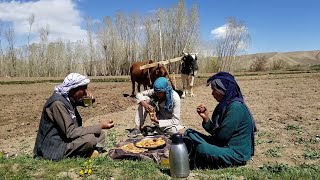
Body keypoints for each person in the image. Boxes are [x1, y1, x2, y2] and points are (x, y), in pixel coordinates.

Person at [183, 71, 256, 169]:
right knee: (189, 133)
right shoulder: (226, 105)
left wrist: (205, 141)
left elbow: (220, 137)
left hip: (235, 153)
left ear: (223, 90)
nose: (212, 93)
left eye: (214, 90)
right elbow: (219, 133)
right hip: (223, 144)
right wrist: (206, 119)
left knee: (202, 148)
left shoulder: (235, 108)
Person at [34, 73, 114, 160]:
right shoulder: (58, 104)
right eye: (83, 89)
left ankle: (94, 152)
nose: (85, 93)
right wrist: (99, 126)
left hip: (65, 139)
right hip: (53, 147)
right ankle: (90, 152)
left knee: (100, 134)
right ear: (72, 90)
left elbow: (80, 102)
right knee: (90, 139)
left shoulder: (68, 97)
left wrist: (91, 100)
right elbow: (70, 132)